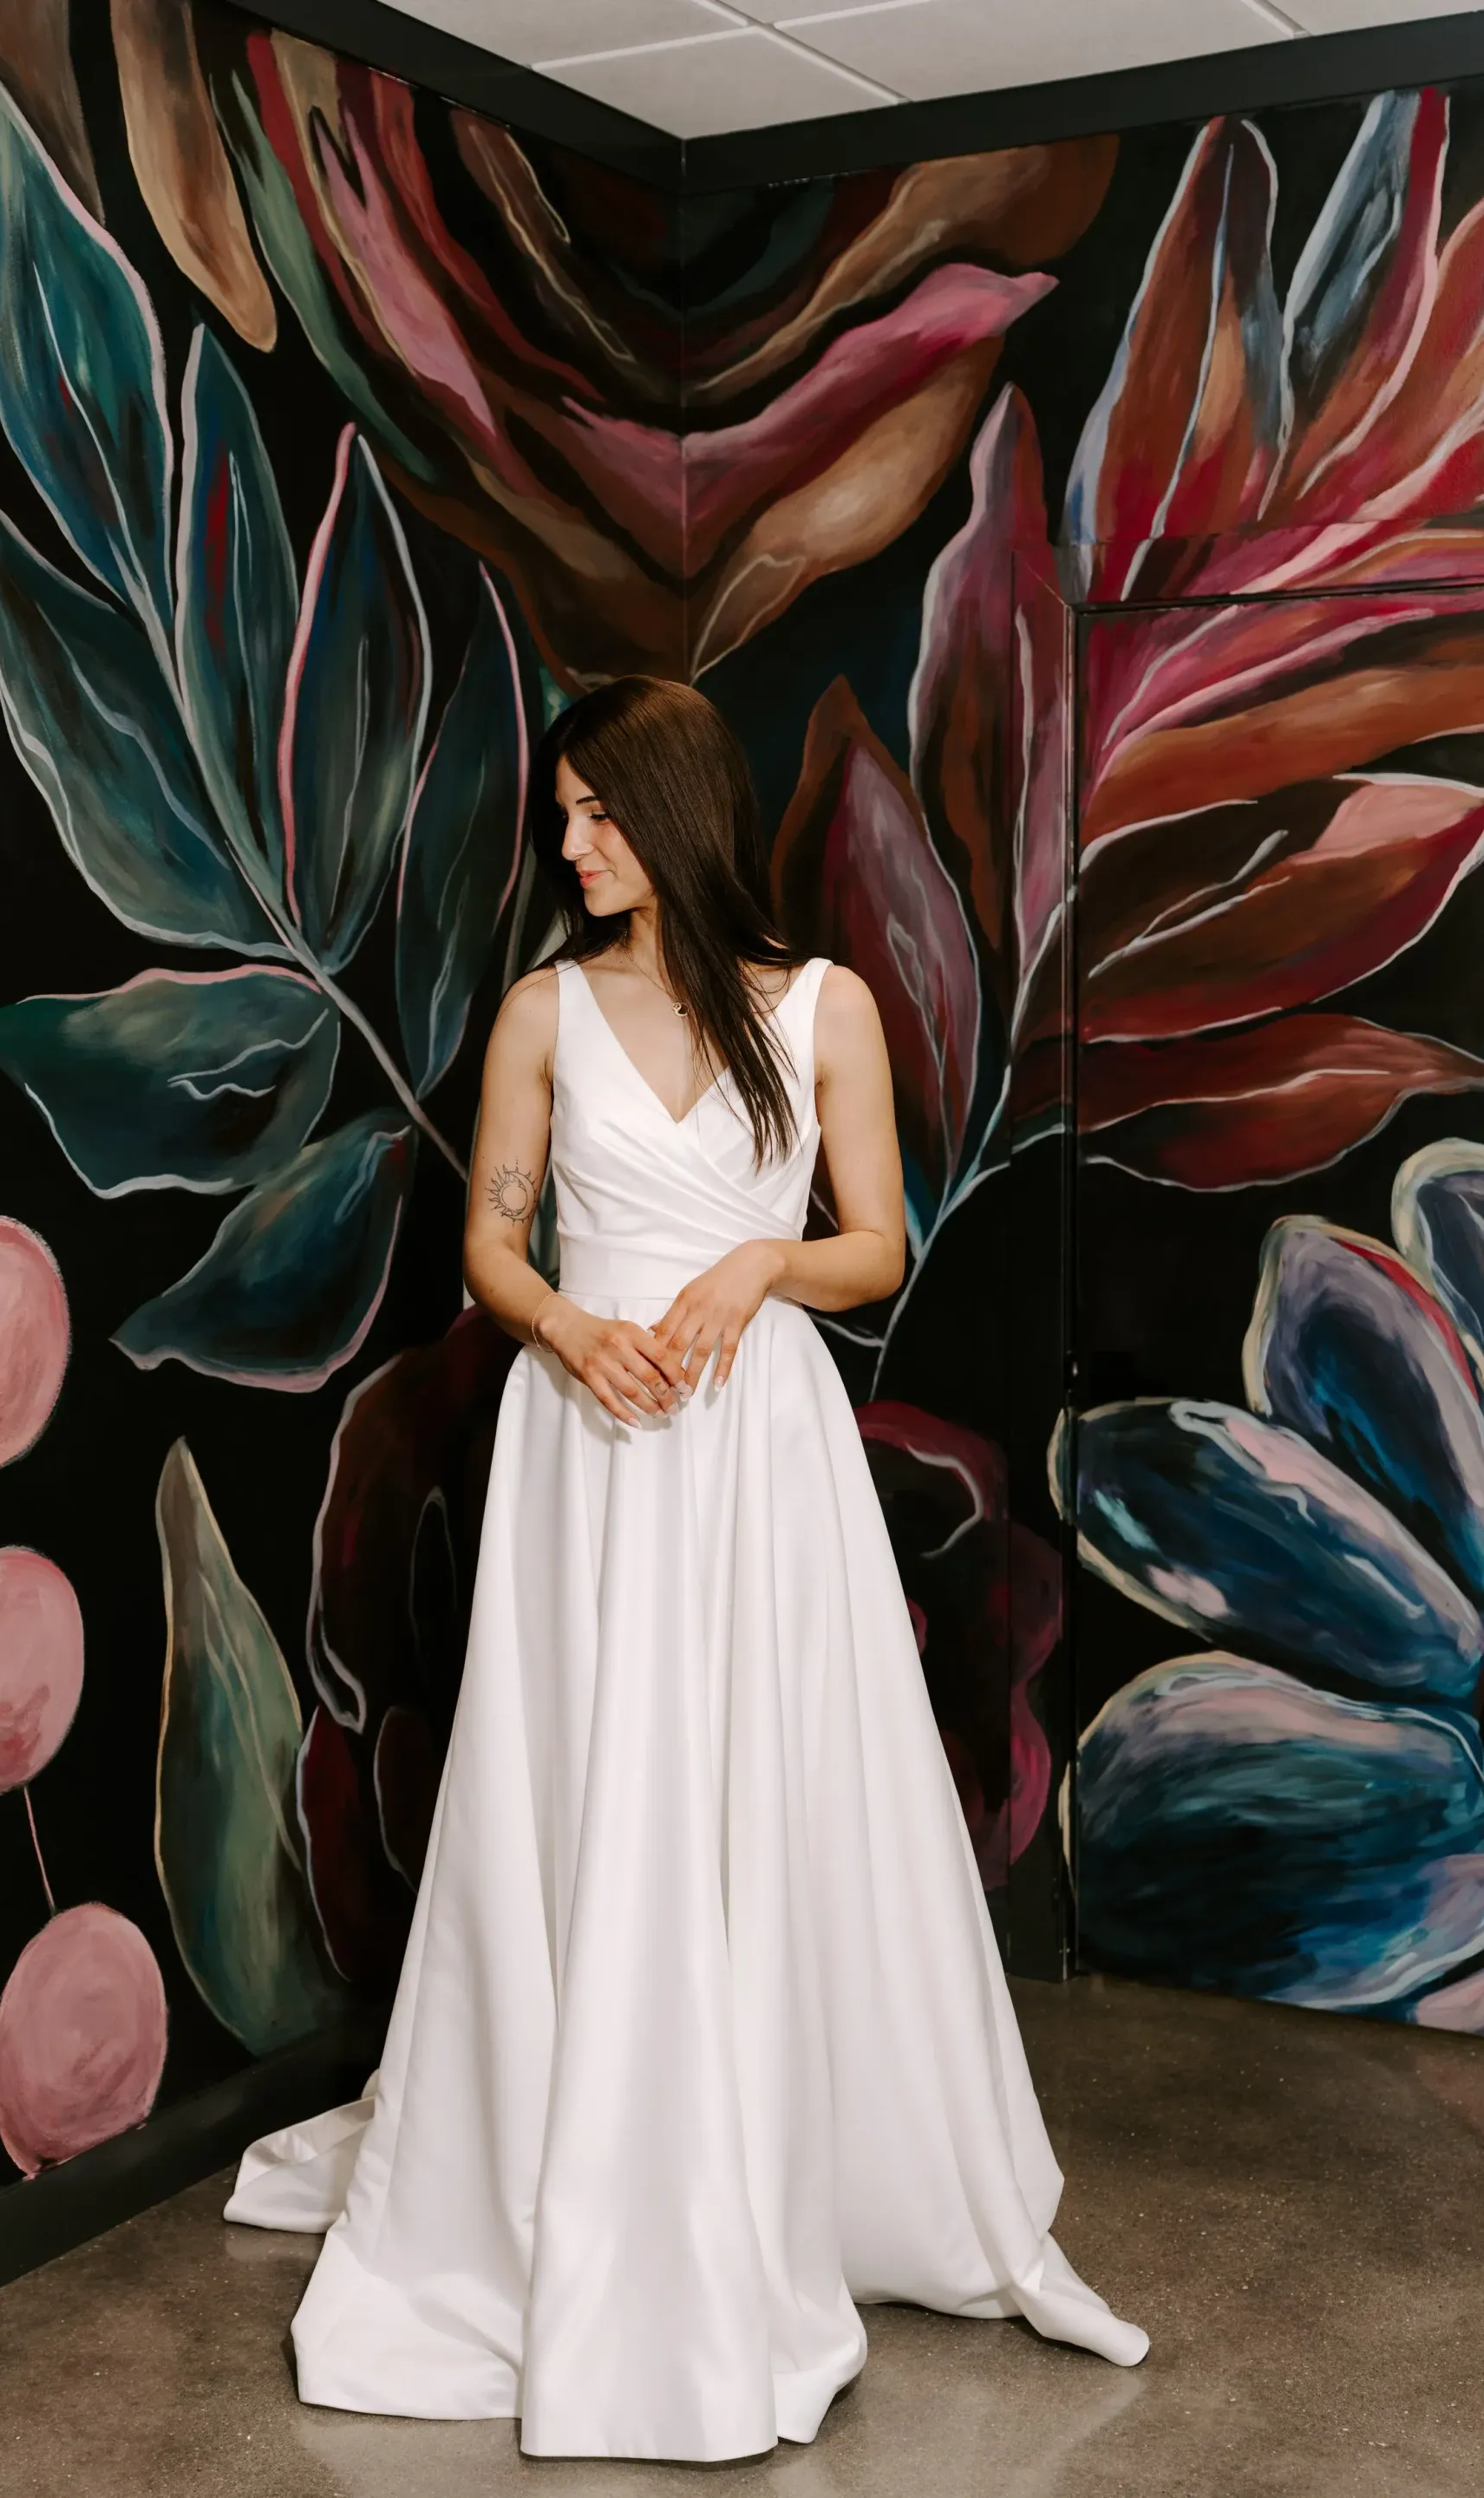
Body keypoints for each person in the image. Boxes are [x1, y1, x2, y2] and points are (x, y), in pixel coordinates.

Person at [225, 676, 1147, 2460]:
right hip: (594, 1444)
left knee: (764, 1776)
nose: (567, 845)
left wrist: (751, 1273)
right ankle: (597, 2140)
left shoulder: (824, 1011)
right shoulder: (543, 1014)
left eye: (593, 812)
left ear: (673, 810)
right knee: (591, 1778)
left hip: (756, 1443)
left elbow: (869, 1243)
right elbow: (493, 1243)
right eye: (563, 815)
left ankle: (776, 2139)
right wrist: (574, 1329)